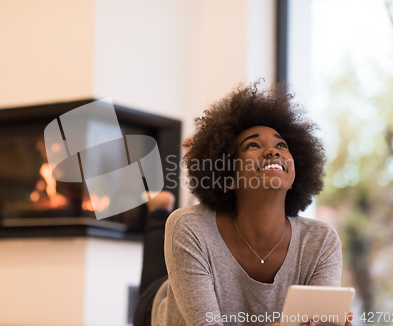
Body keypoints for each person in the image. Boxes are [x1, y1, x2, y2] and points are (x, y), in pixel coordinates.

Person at [134, 82, 353, 326]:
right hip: (158, 310)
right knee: (161, 237)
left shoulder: (322, 241)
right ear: (228, 176)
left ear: (294, 174)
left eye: (282, 145)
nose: (273, 151)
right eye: (253, 145)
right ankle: (159, 210)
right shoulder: (188, 226)